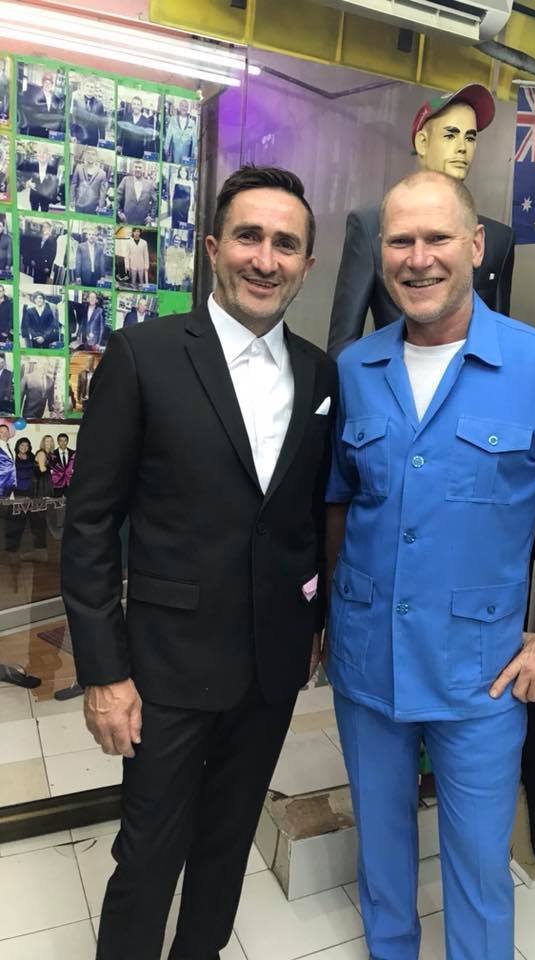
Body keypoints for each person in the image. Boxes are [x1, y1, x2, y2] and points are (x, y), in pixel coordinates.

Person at [324, 170, 535, 960]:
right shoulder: (354, 368)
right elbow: (337, 503)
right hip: (367, 667)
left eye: (437, 238)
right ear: (381, 254)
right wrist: (332, 614)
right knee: (384, 860)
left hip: (479, 675)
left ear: (474, 247)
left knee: (476, 869)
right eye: (400, 240)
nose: (418, 258)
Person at [61, 164, 337, 960]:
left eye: (286, 244)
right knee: (148, 856)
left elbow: (303, 518)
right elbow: (89, 526)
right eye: (249, 236)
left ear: (307, 265)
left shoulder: (322, 373)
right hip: (165, 668)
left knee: (226, 848)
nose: (266, 258)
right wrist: (105, 673)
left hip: (269, 664)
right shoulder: (143, 355)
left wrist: (312, 623)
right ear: (215, 248)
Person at [328, 83, 515, 359]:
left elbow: (499, 333)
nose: (462, 148)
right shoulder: (370, 227)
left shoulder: (498, 239)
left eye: (471, 137)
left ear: (477, 243)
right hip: (391, 382)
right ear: (423, 142)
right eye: (451, 135)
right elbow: (344, 340)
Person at [5, 436, 49, 561]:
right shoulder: (12, 458)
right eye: (22, 445)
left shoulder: (33, 457)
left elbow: (41, 471)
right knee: (14, 524)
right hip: (18, 495)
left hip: (34, 495)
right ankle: (12, 552)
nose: (24, 447)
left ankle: (41, 553)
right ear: (17, 446)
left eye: (26, 445)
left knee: (38, 523)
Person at [23, 71, 64, 139]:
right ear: (42, 83)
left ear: (52, 84)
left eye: (50, 83)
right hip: (35, 131)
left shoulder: (55, 99)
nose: (48, 85)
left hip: (49, 134)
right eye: (46, 82)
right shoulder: (34, 95)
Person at [21, 143, 59, 212]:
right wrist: (27, 182)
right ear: (37, 155)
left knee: (44, 214)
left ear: (48, 155)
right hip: (34, 196)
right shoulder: (32, 166)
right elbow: (23, 176)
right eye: (39, 152)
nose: (41, 155)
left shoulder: (52, 169)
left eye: (44, 153)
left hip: (45, 198)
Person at [116, 160, 157, 225]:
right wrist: (119, 212)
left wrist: (151, 216)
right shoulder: (126, 180)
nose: (137, 169)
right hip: (126, 219)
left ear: (143, 170)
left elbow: (155, 201)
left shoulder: (150, 184)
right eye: (136, 167)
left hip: (142, 221)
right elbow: (117, 197)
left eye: (140, 167)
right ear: (132, 168)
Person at [71, 146, 109, 215]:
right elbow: (73, 184)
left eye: (93, 154)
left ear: (96, 157)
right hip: (78, 204)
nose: (90, 156)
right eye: (88, 153)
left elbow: (102, 192)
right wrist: (71, 200)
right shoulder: (79, 168)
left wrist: (101, 206)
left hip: (93, 207)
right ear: (85, 155)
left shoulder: (102, 173)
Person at [71, 76, 107, 146]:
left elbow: (101, 124)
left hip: (93, 139)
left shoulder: (99, 105)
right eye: (88, 86)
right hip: (79, 138)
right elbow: (74, 119)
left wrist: (102, 140)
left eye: (92, 87)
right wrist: (73, 135)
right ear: (84, 87)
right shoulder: (77, 101)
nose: (89, 89)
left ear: (94, 89)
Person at [117, 95, 154, 159]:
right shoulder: (126, 117)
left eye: (138, 104)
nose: (136, 106)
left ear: (141, 106)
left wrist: (147, 151)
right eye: (134, 104)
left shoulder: (145, 120)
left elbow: (148, 137)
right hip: (126, 150)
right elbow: (122, 132)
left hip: (139, 152)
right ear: (131, 105)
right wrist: (119, 145)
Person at [164, 99, 198, 164]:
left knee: (184, 169)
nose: (184, 108)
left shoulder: (192, 122)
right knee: (175, 166)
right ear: (179, 107)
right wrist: (166, 147)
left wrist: (194, 152)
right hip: (175, 149)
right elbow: (169, 134)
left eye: (186, 106)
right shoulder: (173, 119)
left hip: (186, 149)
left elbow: (194, 138)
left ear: (188, 109)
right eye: (182, 106)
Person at [0, 422, 14, 496]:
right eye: (1, 432)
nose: (4, 434)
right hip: (1, 483)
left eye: (6, 431)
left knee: (6, 506)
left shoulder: (9, 446)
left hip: (9, 484)